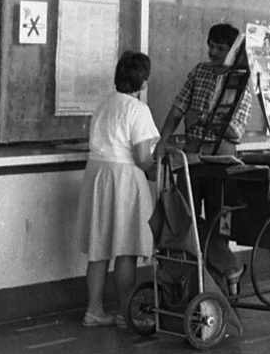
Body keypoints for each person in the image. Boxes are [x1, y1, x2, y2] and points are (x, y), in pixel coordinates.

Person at [155, 23, 250, 288]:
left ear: (232, 51)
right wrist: (163, 140)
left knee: (221, 219)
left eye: (220, 48)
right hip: (193, 153)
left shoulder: (241, 80)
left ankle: (222, 276)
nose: (213, 52)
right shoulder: (200, 71)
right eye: (211, 45)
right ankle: (227, 268)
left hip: (221, 156)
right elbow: (178, 108)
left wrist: (204, 118)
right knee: (187, 215)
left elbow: (235, 131)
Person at [78, 52, 158, 328]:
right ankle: (127, 313)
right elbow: (142, 157)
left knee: (98, 247)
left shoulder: (103, 105)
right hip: (124, 177)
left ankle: (94, 310)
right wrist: (157, 170)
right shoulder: (138, 109)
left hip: (97, 175)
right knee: (126, 248)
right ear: (143, 82)